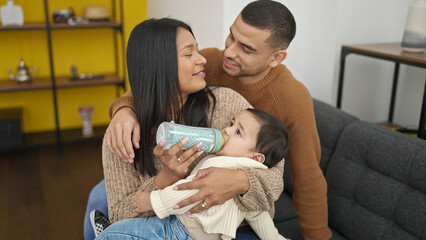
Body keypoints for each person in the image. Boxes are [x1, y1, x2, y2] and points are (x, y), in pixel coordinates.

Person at [85, 1, 331, 239]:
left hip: (238, 218)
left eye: (246, 48)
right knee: (99, 197)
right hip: (171, 220)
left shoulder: (270, 100)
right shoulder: (213, 62)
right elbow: (152, 83)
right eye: (231, 36)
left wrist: (239, 181)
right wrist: (124, 109)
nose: (230, 51)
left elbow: (305, 178)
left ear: (276, 58)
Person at [97, 108, 290, 240]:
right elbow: (258, 215)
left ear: (256, 158)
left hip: (181, 231)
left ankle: (108, 230)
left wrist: (153, 201)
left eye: (238, 132)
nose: (227, 130)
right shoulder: (246, 184)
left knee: (110, 236)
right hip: (204, 235)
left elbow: (188, 192)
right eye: (232, 123)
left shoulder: (224, 163)